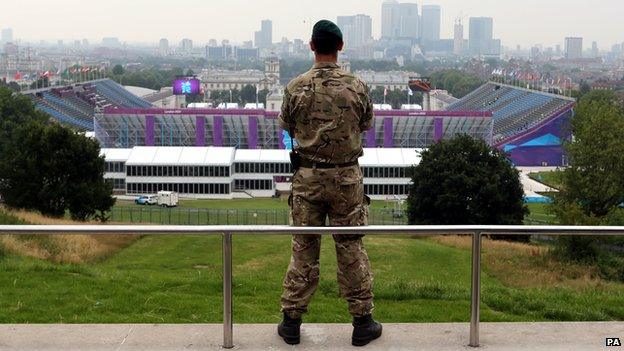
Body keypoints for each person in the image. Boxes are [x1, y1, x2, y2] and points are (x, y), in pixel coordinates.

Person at [277, 19, 382, 347]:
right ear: (340, 47)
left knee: (303, 248)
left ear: (311, 46)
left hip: (307, 180)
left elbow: (289, 128)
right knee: (351, 248)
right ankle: (362, 322)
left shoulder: (296, 87)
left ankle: (291, 322)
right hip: (346, 179)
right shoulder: (357, 86)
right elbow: (365, 125)